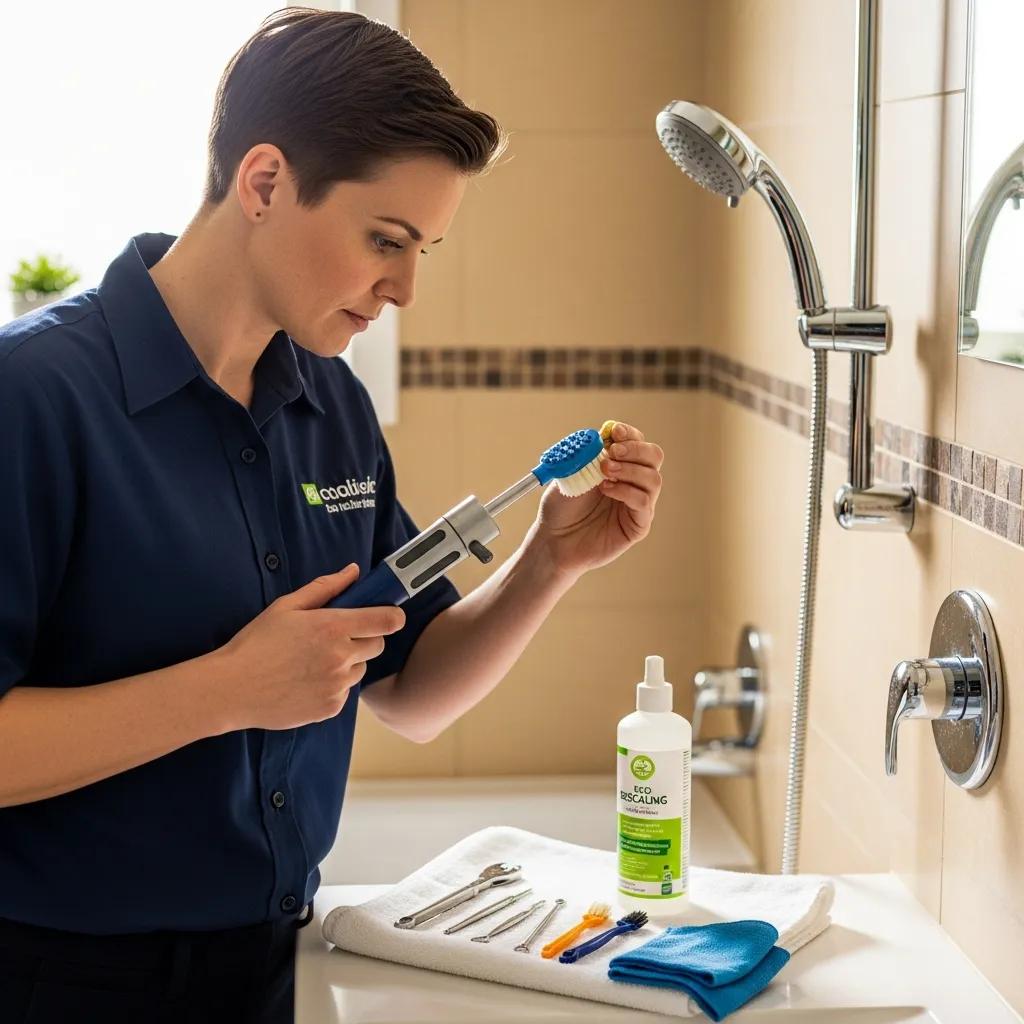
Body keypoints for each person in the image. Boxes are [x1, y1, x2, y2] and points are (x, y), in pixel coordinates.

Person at [0, 8, 664, 1023]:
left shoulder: (328, 404)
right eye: (385, 241)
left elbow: (408, 691)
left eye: (425, 250)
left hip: (271, 971)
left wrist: (546, 565)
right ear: (263, 182)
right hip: (54, 985)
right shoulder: (34, 399)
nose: (402, 288)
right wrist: (227, 689)